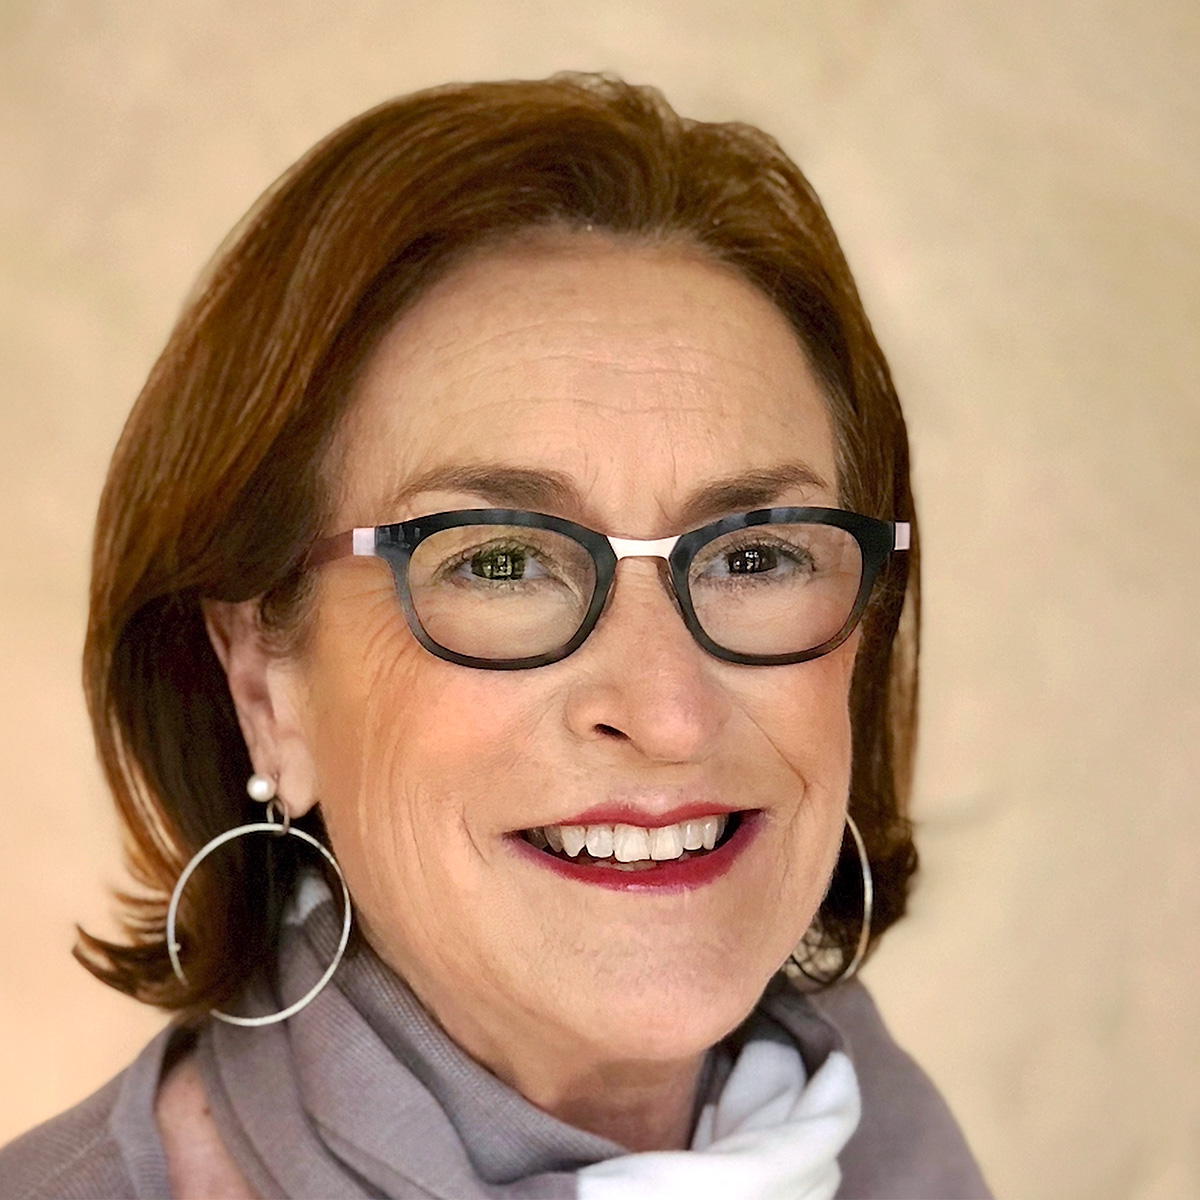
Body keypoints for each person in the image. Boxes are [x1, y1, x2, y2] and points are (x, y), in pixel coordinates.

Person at [0, 74, 991, 1199]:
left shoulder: (897, 1146)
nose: (668, 711)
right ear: (264, 684)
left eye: (752, 556)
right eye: (501, 561)